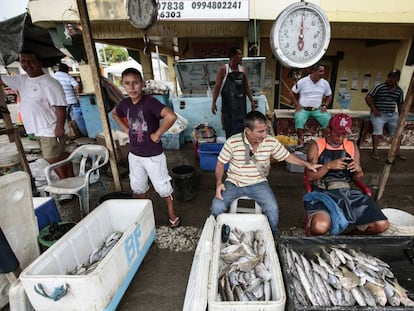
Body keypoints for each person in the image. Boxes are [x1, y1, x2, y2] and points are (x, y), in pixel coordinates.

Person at [210, 110, 322, 238]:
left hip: (259, 183)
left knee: (273, 209)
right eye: (260, 131)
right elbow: (220, 164)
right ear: (248, 130)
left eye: (266, 130)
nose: (265, 135)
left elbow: (287, 156)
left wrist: (308, 164)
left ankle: (272, 238)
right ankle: (215, 236)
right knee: (217, 207)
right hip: (234, 182)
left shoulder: (270, 142)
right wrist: (219, 183)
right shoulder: (232, 142)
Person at [112, 68, 180, 228]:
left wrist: (157, 134)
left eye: (135, 83)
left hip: (153, 155)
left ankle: (171, 213)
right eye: (127, 84)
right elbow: (115, 113)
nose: (132, 87)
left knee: (163, 186)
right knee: (138, 187)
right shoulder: (125, 103)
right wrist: (125, 128)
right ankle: (144, 215)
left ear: (142, 84)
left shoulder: (150, 102)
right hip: (135, 154)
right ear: (123, 85)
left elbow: (171, 116)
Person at [304, 113, 389, 236]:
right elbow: (310, 177)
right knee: (319, 227)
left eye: (343, 134)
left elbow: (358, 178)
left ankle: (348, 237)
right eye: (337, 133)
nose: (340, 137)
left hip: (346, 193)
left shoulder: (351, 146)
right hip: (323, 192)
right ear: (329, 129)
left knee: (381, 225)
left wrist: (358, 170)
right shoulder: (317, 146)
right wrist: (328, 166)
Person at [0, 50, 73, 179]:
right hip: (39, 129)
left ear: (39, 63)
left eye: (31, 61)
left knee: (52, 158)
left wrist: (59, 126)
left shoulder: (50, 83)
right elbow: (2, 79)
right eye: (23, 61)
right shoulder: (22, 80)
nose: (27, 64)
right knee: (61, 156)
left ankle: (66, 184)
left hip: (50, 129)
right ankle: (70, 180)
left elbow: (60, 106)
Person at [211, 47, 255, 138]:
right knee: (230, 133)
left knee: (242, 133)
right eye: (239, 54)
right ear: (233, 56)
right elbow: (217, 87)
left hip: (241, 109)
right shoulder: (224, 69)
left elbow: (247, 86)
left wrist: (252, 100)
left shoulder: (242, 70)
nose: (241, 56)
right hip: (228, 110)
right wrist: (214, 102)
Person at [365, 69, 405, 160]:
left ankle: (397, 152)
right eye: (389, 76)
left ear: (397, 79)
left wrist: (401, 116)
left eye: (393, 77)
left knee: (397, 133)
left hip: (391, 114)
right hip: (379, 113)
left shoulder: (399, 91)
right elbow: (368, 98)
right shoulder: (380, 87)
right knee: (377, 132)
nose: (390, 79)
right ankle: (374, 152)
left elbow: (400, 104)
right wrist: (374, 109)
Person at [289, 63, 332, 147]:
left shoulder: (325, 83)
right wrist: (296, 104)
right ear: (314, 71)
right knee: (299, 119)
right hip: (304, 109)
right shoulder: (303, 81)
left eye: (323, 71)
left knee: (328, 119)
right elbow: (291, 93)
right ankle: (300, 139)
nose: (323, 73)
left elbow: (329, 95)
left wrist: (325, 105)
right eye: (320, 71)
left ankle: (325, 140)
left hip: (317, 109)